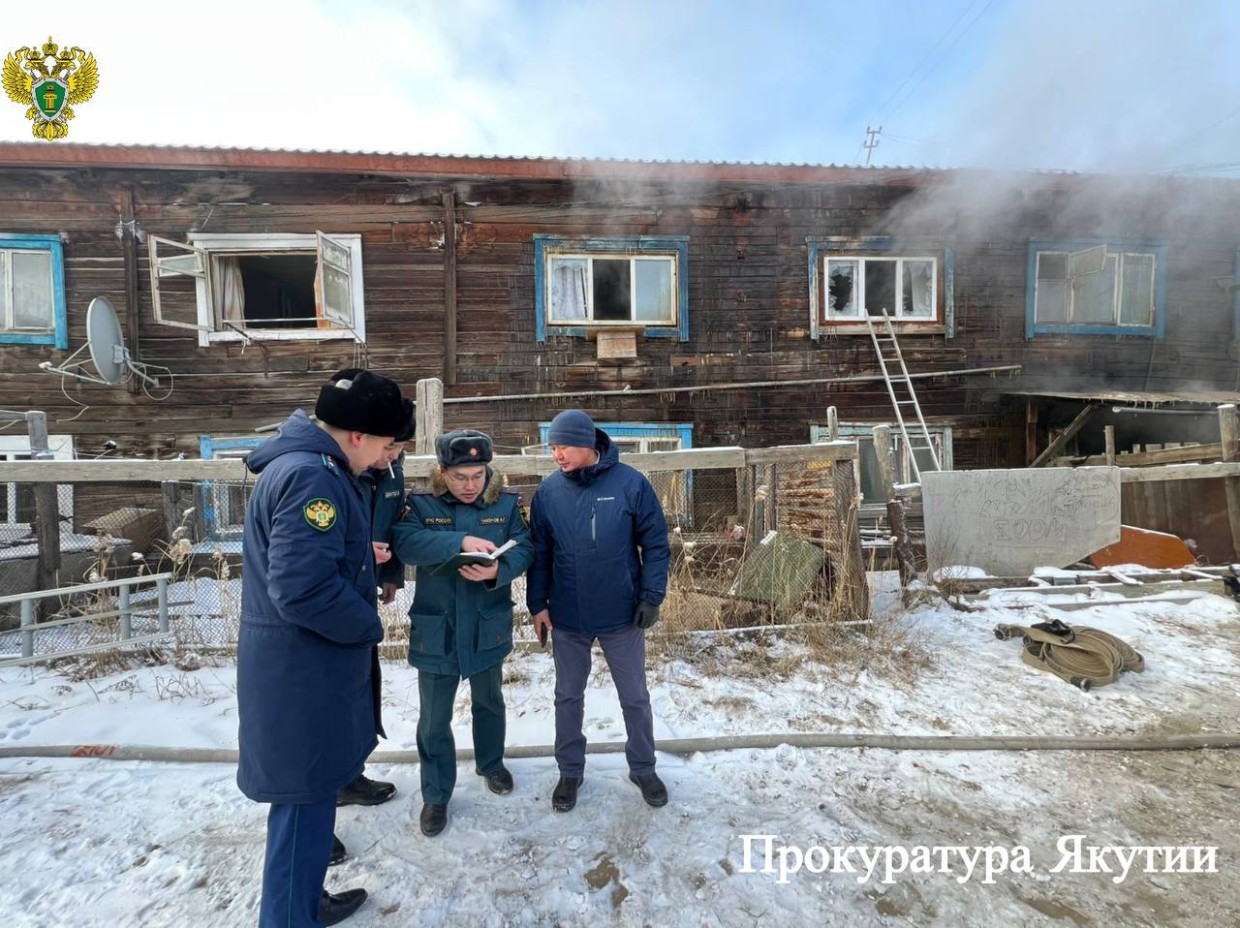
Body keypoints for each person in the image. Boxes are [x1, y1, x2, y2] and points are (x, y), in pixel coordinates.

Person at [237, 370, 412, 927]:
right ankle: (289, 916)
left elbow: (306, 564)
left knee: (309, 802)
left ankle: (302, 900)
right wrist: (368, 623)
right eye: (386, 445)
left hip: (301, 666)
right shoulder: (314, 479)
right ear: (358, 435)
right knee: (303, 803)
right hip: (301, 672)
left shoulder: (311, 468)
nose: (387, 459)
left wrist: (360, 552)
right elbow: (302, 588)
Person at [525, 409, 671, 813]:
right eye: (552, 447)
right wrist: (537, 604)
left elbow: (656, 544)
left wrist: (651, 595)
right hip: (568, 616)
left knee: (635, 697)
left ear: (588, 444)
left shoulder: (631, 484)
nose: (556, 455)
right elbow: (539, 553)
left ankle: (643, 767)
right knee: (567, 696)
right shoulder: (550, 492)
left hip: (622, 614)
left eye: (564, 446)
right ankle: (569, 771)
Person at [391, 429, 533, 837]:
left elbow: (525, 546)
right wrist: (459, 541)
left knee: (489, 702)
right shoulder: (420, 505)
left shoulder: (506, 505)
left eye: (478, 475)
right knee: (434, 718)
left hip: (487, 622)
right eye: (460, 477)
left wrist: (498, 570)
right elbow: (405, 543)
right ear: (442, 472)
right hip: (439, 628)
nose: (471, 485)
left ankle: (492, 764)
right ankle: (436, 795)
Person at [326, 369, 414, 825]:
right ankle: (327, 794)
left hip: (360, 593)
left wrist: (392, 571)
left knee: (359, 688)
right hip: (334, 606)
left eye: (398, 449)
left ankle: (350, 773)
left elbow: (394, 526)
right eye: (388, 446)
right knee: (331, 704)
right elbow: (320, 559)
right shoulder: (332, 478)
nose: (391, 455)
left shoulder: (387, 473)